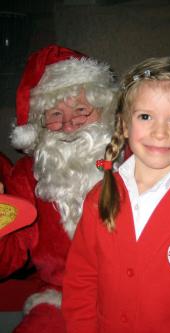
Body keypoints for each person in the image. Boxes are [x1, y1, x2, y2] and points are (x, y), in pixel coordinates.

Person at [62, 56, 170, 333]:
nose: (159, 133)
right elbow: (82, 281)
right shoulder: (98, 198)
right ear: (124, 125)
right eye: (145, 116)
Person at [0, 44, 117, 332]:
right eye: (54, 114)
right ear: (40, 124)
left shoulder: (133, 160)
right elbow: (9, 256)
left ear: (103, 113)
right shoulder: (29, 174)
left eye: (81, 110)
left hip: (130, 295)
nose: (68, 125)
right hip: (60, 297)